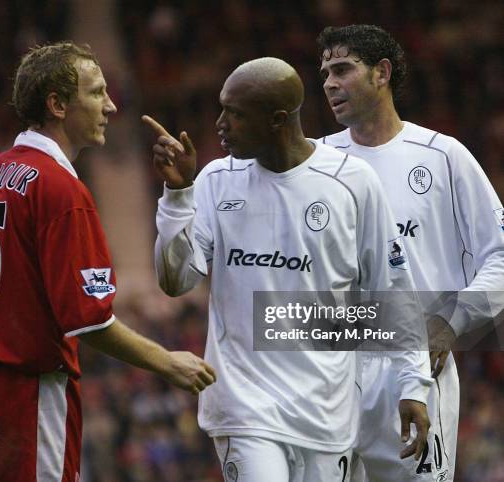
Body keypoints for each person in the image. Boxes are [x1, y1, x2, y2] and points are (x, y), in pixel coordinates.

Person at [143, 57, 432, 482]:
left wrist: (412, 383)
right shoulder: (216, 180)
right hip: (244, 408)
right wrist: (177, 194)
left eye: (236, 114)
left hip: (326, 410)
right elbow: (175, 281)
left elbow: (392, 290)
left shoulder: (352, 182)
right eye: (222, 109)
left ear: (278, 119)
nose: (220, 123)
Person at [0, 41, 216, 482]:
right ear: (57, 104)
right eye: (96, 92)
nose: (110, 105)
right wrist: (168, 362)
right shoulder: (61, 190)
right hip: (24, 394)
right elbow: (90, 322)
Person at [318, 24, 504, 481]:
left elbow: (500, 254)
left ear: (382, 73)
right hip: (330, 370)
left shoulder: (443, 156)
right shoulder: (317, 161)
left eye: (342, 69)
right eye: (324, 73)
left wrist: (451, 322)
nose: (328, 83)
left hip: (412, 362)